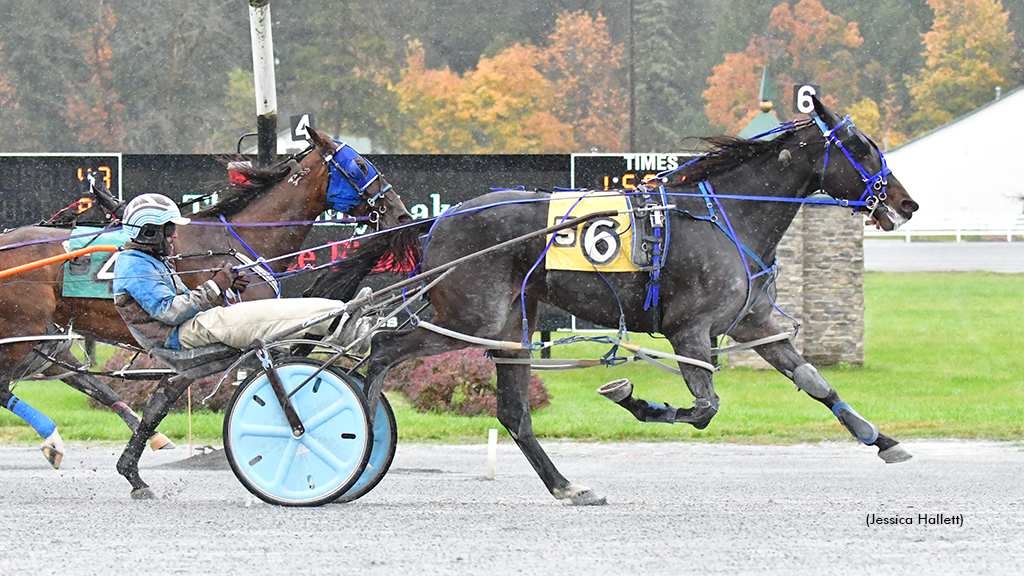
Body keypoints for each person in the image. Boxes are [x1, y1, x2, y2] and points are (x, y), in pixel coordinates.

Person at [112, 193, 363, 352]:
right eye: (169, 229)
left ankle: (339, 314)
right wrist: (215, 286)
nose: (175, 235)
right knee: (261, 318)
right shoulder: (135, 265)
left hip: (188, 327)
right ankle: (340, 323)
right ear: (149, 232)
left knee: (267, 313)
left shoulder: (149, 258)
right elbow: (169, 312)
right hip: (177, 335)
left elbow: (184, 303)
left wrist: (225, 288)